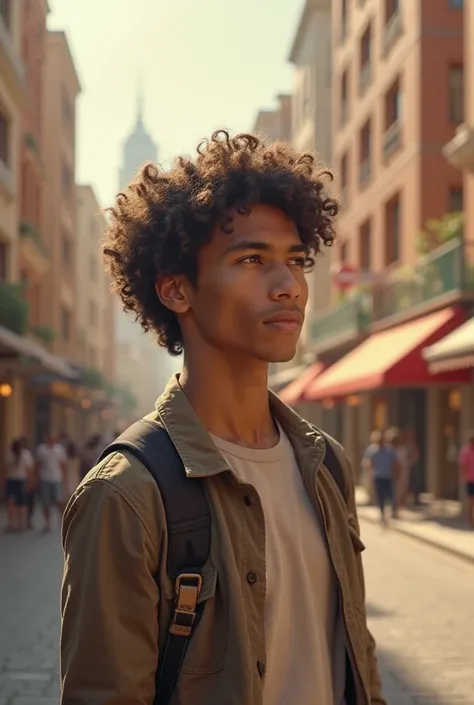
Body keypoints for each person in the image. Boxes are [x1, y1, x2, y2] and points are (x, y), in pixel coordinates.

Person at [60, 131, 386, 705]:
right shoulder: (128, 496)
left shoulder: (327, 463)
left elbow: (355, 654)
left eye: (296, 260)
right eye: (253, 259)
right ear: (176, 289)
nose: (289, 287)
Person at [363, 430, 399, 525]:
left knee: (390, 495)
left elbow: (395, 462)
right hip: (378, 476)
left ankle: (393, 511)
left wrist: (396, 473)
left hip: (388, 476)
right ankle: (382, 514)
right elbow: (367, 462)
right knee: (380, 496)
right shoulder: (372, 450)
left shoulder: (389, 450)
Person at [36, 435, 67, 533]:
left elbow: (63, 464)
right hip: (45, 478)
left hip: (56, 478)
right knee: (46, 503)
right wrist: (37, 478)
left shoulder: (59, 449)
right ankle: (47, 524)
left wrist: (64, 479)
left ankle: (61, 522)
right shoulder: (41, 449)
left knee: (59, 502)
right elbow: (38, 464)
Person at [3, 437, 34, 532]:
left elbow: (29, 469)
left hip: (19, 480)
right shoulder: (10, 455)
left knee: (19, 503)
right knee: (15, 503)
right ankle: (16, 524)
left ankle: (19, 524)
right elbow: (5, 469)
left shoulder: (25, 455)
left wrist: (30, 482)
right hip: (14, 480)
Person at [459, 430, 474, 528]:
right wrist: (464, 476)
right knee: (470, 500)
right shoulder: (466, 451)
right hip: (470, 479)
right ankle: (469, 520)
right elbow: (462, 465)